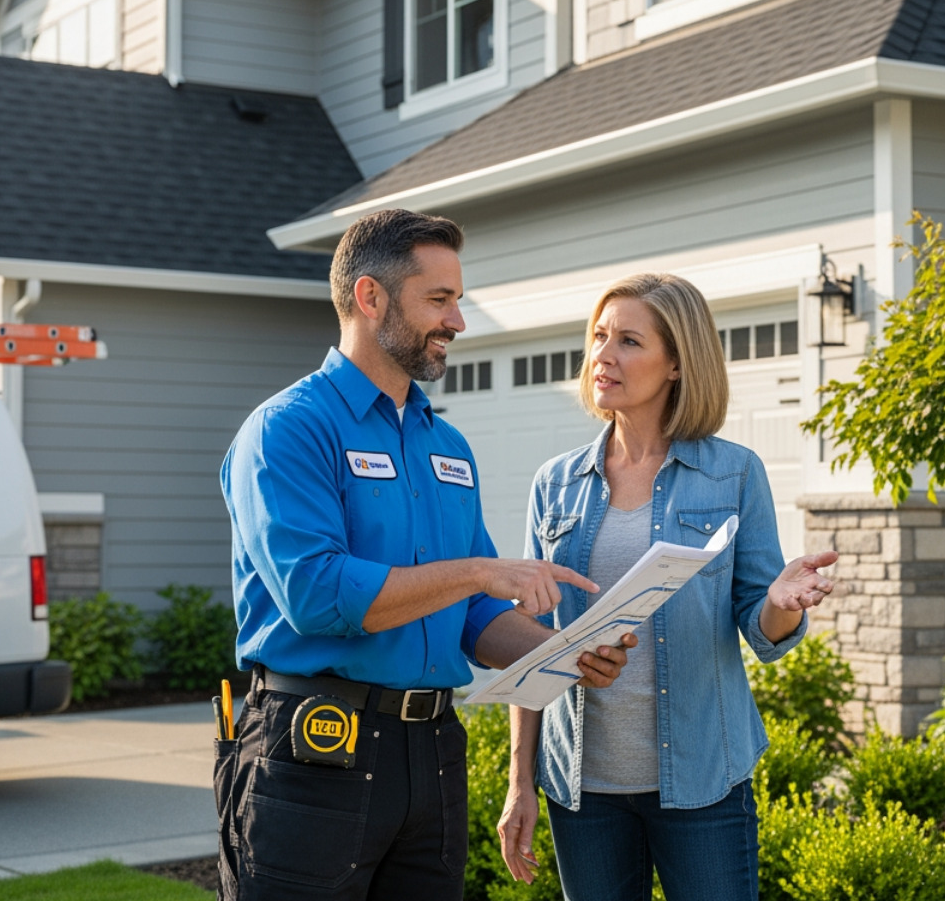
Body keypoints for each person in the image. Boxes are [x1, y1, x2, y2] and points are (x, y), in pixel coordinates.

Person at [217, 209, 635, 901]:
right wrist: (479, 572)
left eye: (458, 300)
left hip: (431, 756)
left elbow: (470, 614)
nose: (458, 321)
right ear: (370, 297)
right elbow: (318, 594)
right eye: (438, 300)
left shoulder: (448, 448)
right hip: (314, 748)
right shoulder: (288, 430)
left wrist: (562, 654)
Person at [496, 273, 838, 901]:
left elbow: (762, 627)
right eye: (599, 337)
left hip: (704, 778)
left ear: (677, 362)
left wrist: (781, 604)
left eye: (628, 340)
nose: (604, 355)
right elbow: (532, 641)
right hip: (584, 787)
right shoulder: (556, 483)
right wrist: (520, 780)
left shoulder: (732, 473)